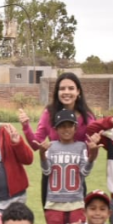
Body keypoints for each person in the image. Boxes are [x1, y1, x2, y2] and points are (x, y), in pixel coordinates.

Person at [18, 72, 96, 204]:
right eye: (62, 88)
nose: (66, 92)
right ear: (57, 92)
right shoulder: (49, 113)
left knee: (76, 222)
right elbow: (36, 144)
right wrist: (26, 126)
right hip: (51, 178)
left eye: (71, 88)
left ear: (78, 92)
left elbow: (90, 151)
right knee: (53, 220)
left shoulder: (87, 117)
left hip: (75, 178)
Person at [40, 108, 98, 224]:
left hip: (76, 202)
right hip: (54, 202)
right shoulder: (51, 146)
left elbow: (84, 172)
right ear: (56, 129)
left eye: (69, 126)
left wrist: (92, 156)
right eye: (62, 126)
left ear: (75, 127)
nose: (66, 130)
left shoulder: (81, 146)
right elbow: (46, 171)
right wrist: (42, 155)